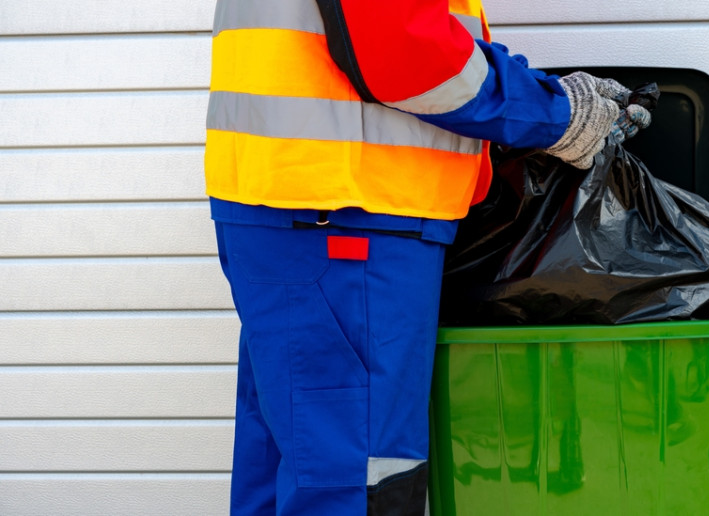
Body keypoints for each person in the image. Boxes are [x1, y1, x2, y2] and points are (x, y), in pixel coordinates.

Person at [204, 0, 651, 514]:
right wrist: (556, 114)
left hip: (295, 208)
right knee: (357, 478)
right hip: (350, 212)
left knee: (296, 463)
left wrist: (543, 99)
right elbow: (404, 46)